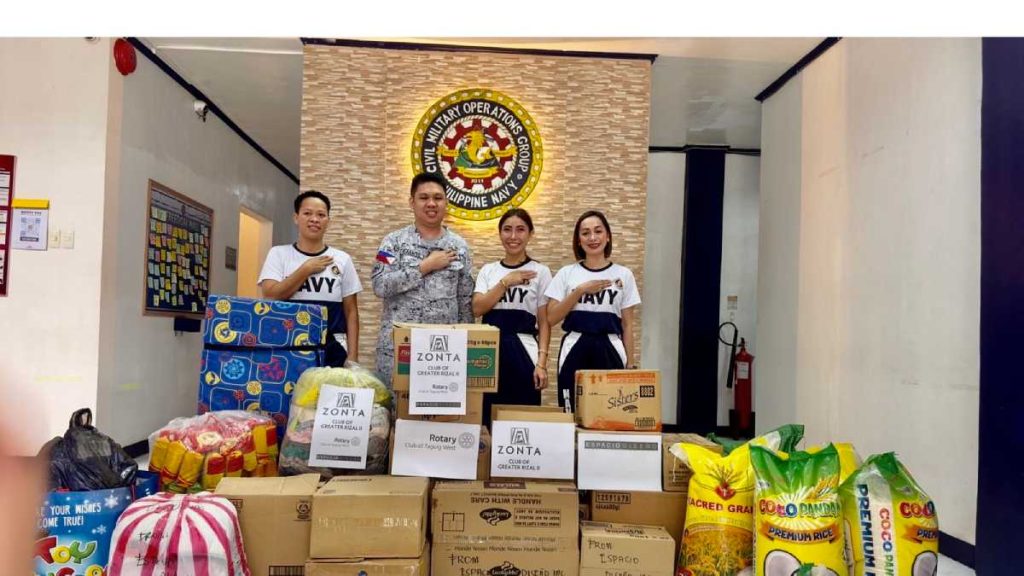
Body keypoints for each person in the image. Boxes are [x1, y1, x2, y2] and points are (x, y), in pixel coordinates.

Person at [372, 172, 474, 388]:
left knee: (440, 408)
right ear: (412, 202)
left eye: (438, 198)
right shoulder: (391, 243)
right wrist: (424, 267)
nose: (431, 203)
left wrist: (467, 347)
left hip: (443, 355)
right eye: (424, 197)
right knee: (394, 407)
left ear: (446, 202)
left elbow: (465, 302)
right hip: (399, 349)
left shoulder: (460, 247)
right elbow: (380, 285)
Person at [545, 210, 641, 409]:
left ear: (608, 236)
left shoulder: (624, 274)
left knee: (612, 409)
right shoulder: (567, 273)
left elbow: (628, 324)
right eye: (585, 233)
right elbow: (551, 317)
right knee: (572, 410)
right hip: (575, 345)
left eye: (598, 231)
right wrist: (580, 291)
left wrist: (630, 364)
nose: (592, 238)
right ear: (578, 240)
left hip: (610, 346)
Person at [258, 190, 362, 367]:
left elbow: (351, 311)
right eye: (307, 213)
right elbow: (270, 296)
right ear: (296, 217)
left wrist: (352, 356)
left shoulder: (342, 259)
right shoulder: (278, 254)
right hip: (287, 347)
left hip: (332, 352)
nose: (314, 219)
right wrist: (306, 269)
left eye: (321, 215)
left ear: (328, 221)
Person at [472, 208, 552, 424]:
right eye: (507, 229)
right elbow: (477, 308)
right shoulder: (488, 271)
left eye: (520, 229)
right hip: (488, 352)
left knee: (522, 418)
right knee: (487, 418)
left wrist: (542, 363)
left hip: (524, 350)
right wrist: (506, 282)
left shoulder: (540, 271)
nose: (513, 236)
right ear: (500, 233)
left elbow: (544, 322)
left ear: (530, 234)